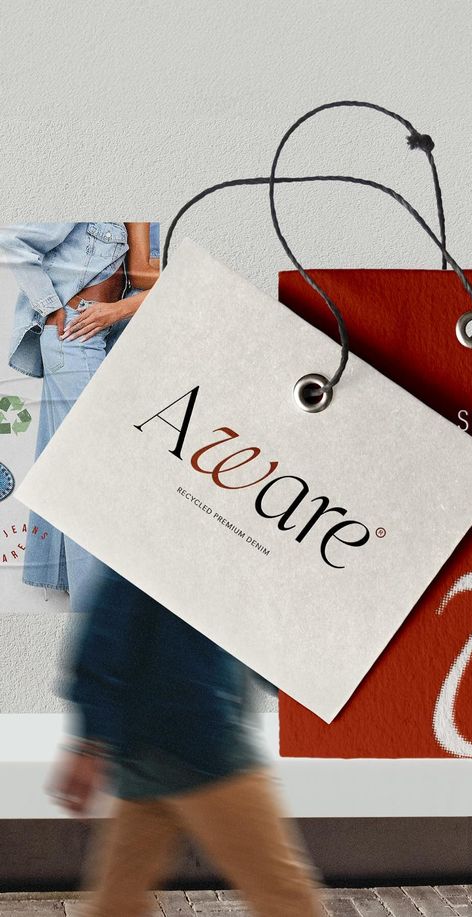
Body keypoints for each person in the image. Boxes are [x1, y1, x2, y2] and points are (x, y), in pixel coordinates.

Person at [49, 563, 322, 917]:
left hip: (147, 751)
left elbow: (253, 635)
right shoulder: (164, 543)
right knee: (288, 898)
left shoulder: (219, 548)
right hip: (201, 746)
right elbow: (105, 636)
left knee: (117, 904)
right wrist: (88, 742)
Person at [0, 222, 157, 609]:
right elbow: (11, 241)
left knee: (68, 463)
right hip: (75, 334)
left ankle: (69, 584)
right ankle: (98, 607)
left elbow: (146, 276)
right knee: (94, 471)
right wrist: (50, 306)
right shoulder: (89, 200)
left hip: (104, 335)